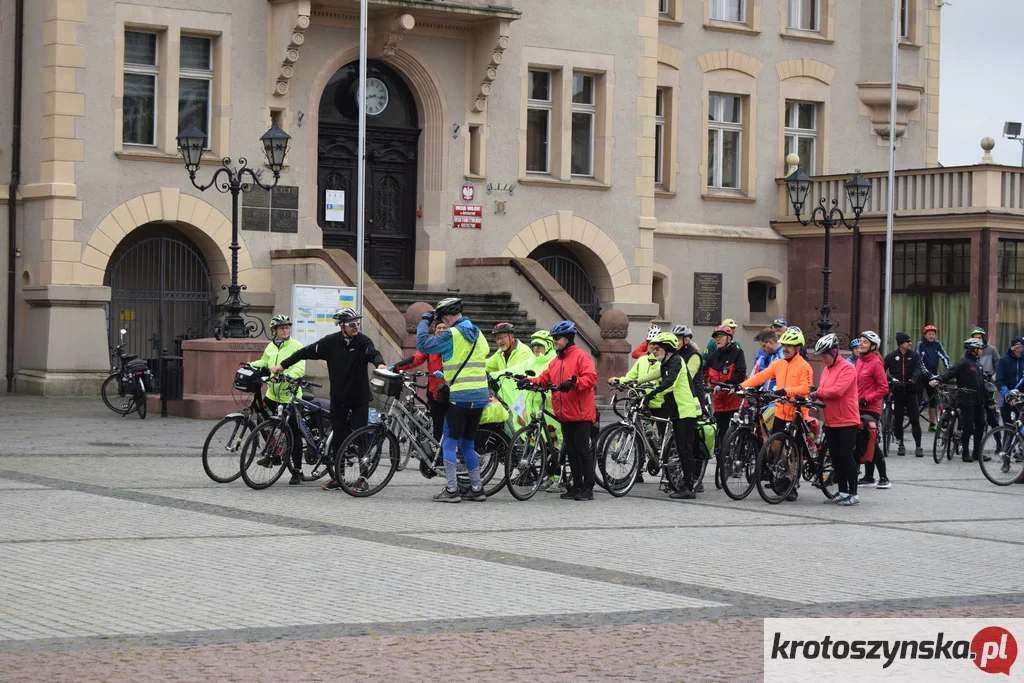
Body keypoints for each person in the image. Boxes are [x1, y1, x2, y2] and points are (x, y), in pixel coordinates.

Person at [274, 307, 386, 491]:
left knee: (360, 437)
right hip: (339, 398)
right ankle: (338, 477)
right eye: (351, 324)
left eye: (357, 323)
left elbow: (372, 353)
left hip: (359, 398)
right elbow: (305, 352)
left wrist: (379, 363)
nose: (355, 326)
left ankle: (363, 478)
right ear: (341, 326)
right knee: (338, 438)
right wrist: (282, 365)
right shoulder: (330, 342)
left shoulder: (363, 341)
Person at [415, 297, 491, 502]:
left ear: (447, 316)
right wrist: (447, 374)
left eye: (441, 318)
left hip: (459, 397)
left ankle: (451, 490)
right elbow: (482, 354)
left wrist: (425, 321)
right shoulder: (477, 332)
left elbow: (423, 344)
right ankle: (477, 488)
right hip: (480, 395)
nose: (443, 322)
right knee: (468, 444)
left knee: (449, 442)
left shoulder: (451, 334)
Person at [521, 321, 598, 501]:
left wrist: (573, 383)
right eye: (553, 338)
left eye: (557, 338)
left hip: (580, 413)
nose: (554, 341)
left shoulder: (581, 357)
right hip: (564, 413)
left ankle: (588, 487)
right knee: (571, 451)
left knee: (582, 451)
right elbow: (544, 379)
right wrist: (528, 382)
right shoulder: (555, 361)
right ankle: (577, 485)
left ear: (568, 339)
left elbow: (591, 378)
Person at [740, 328, 813, 501]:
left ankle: (793, 483)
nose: (786, 348)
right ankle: (785, 475)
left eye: (790, 346)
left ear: (798, 348)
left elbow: (805, 388)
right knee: (775, 445)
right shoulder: (779, 363)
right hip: (781, 410)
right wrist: (742, 386)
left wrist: (785, 391)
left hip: (797, 412)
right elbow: (762, 375)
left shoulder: (804, 366)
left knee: (795, 450)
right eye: (785, 345)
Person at [644, 332, 703, 500]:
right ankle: (680, 482)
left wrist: (651, 394)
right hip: (677, 411)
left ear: (667, 348)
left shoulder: (677, 361)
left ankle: (688, 488)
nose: (655, 352)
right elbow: (654, 374)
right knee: (680, 447)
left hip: (686, 411)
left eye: (658, 348)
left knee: (685, 450)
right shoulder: (667, 362)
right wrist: (629, 381)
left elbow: (670, 383)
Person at [250, 314, 306, 485]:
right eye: (281, 328)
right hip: (272, 395)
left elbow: (299, 368)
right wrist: (249, 365)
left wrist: (285, 375)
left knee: (293, 433)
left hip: (290, 396)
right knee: (263, 423)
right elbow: (264, 362)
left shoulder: (297, 346)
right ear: (273, 331)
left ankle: (297, 470)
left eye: (287, 327)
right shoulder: (270, 347)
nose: (284, 330)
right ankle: (274, 455)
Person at [809, 334, 861, 506]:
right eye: (821, 357)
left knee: (846, 456)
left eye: (825, 356)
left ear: (834, 352)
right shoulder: (826, 369)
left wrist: (818, 393)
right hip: (831, 420)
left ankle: (853, 493)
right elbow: (825, 389)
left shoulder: (848, 368)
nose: (823, 359)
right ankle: (842, 491)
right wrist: (816, 391)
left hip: (847, 420)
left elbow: (837, 391)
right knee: (836, 457)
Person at [609, 333, 662, 484]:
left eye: (656, 344)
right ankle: (637, 471)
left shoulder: (662, 362)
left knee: (663, 436)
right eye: (650, 343)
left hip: (660, 403)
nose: (652, 346)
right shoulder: (642, 360)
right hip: (642, 402)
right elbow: (631, 376)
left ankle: (666, 464)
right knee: (639, 434)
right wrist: (620, 380)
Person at [931, 338, 988, 462]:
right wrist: (938, 379)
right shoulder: (963, 363)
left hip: (978, 400)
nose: (981, 351)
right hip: (966, 400)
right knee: (967, 427)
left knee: (980, 425)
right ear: (973, 350)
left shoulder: (978, 364)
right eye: (980, 349)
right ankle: (965, 453)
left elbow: (981, 383)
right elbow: (950, 372)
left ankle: (977, 453)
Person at [393, 321, 449, 442]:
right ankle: (436, 455)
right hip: (435, 391)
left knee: (450, 425)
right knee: (437, 424)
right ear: (435, 330)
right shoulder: (431, 345)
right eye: (439, 327)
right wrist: (397, 367)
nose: (441, 330)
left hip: (450, 390)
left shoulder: (453, 343)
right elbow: (416, 359)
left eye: (444, 327)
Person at [854, 331, 891, 489]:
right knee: (862, 442)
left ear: (873, 346)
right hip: (857, 407)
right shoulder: (859, 361)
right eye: (860, 341)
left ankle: (884, 478)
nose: (861, 344)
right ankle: (869, 477)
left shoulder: (876, 362)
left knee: (871, 442)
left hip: (871, 408)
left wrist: (866, 398)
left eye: (865, 342)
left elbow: (884, 388)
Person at [704, 325, 746, 455]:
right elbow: (704, 373)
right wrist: (702, 384)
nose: (717, 339)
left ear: (729, 338)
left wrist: (725, 384)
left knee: (736, 431)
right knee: (721, 433)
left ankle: (739, 457)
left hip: (733, 400)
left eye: (720, 336)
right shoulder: (713, 357)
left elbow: (740, 373)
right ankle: (723, 460)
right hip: (719, 403)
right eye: (716, 337)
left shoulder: (737, 353)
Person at [883, 332, 925, 457]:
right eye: (908, 341)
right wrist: (889, 378)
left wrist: (914, 378)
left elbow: (919, 368)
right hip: (897, 392)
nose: (910, 343)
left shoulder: (915, 356)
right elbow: (881, 371)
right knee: (898, 420)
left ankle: (919, 446)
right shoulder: (891, 357)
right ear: (901, 344)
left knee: (915, 419)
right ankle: (901, 444)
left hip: (912, 392)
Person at [917, 324, 952, 430]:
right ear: (925, 335)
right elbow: (919, 360)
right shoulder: (920, 344)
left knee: (933, 400)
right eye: (929, 334)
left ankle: (932, 424)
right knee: (917, 399)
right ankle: (915, 420)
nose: (931, 336)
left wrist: (949, 370)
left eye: (933, 334)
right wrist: (927, 374)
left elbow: (944, 357)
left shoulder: (937, 345)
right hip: (921, 376)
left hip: (933, 375)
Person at [970, 327, 1002, 436]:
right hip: (975, 385)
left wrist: (994, 376)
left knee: (992, 417)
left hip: (989, 386)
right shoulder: (970, 351)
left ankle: (998, 443)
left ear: (983, 338)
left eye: (980, 338)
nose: (978, 340)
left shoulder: (992, 350)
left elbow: (999, 366)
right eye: (975, 338)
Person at [995, 337, 1024, 425]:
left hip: (1021, 399)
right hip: (1008, 400)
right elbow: (999, 381)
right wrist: (1008, 395)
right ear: (1017, 348)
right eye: (1023, 346)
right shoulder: (1004, 360)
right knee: (1009, 430)